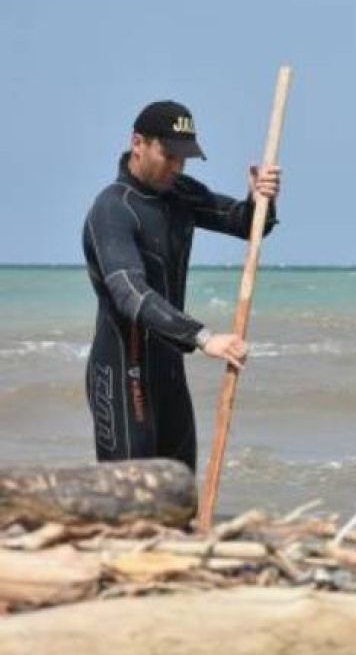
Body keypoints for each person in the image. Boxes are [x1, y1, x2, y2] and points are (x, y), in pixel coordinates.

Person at [82, 100, 281, 471]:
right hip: (125, 375)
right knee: (130, 503)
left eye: (184, 158)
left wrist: (261, 198)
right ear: (137, 142)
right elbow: (131, 294)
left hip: (169, 374)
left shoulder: (180, 194)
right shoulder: (112, 209)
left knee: (180, 498)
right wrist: (204, 337)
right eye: (168, 155)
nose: (176, 167)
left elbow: (246, 223)